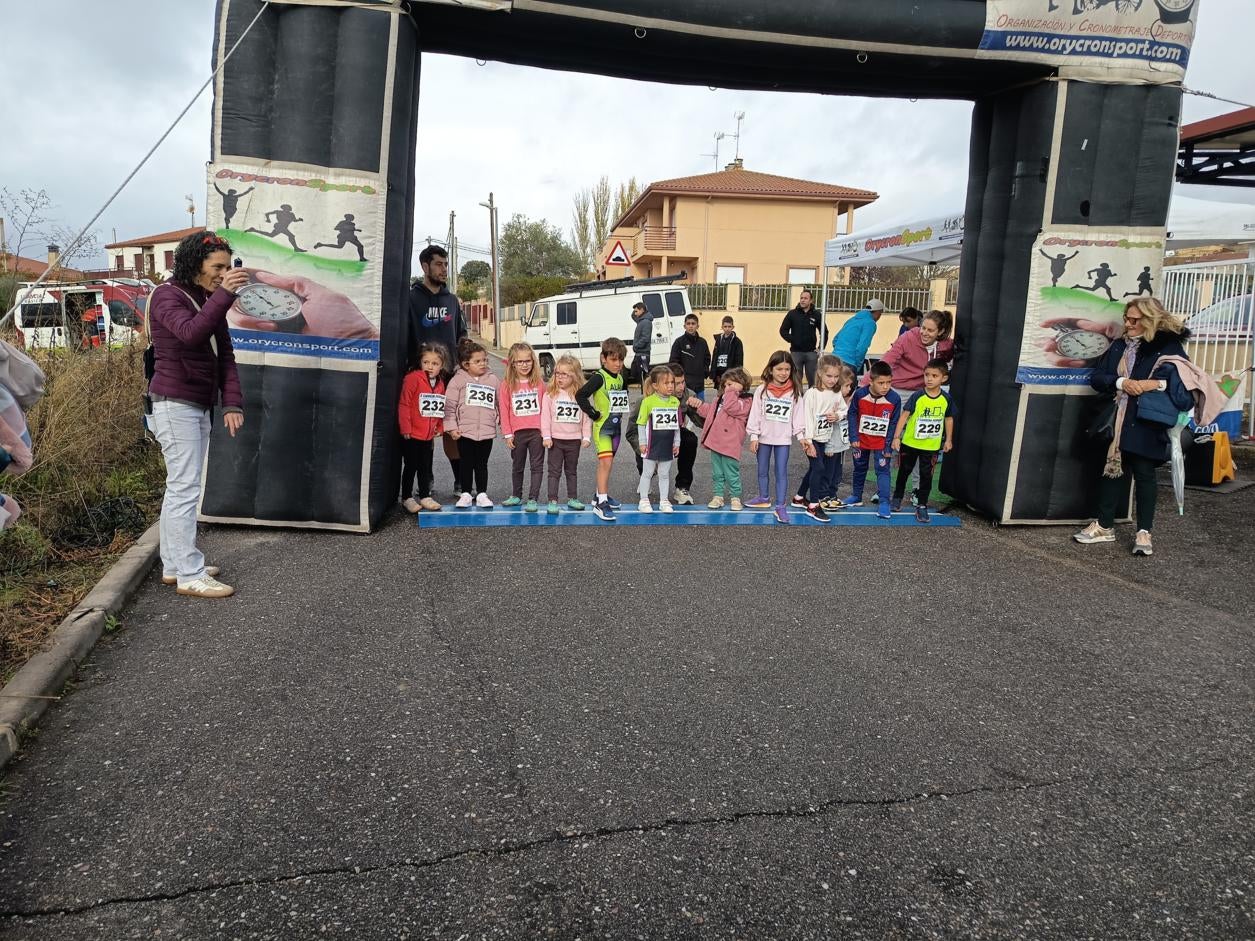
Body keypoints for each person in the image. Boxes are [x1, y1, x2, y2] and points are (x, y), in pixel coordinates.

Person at [147, 231, 247, 598]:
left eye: (226, 267)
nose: (222, 273)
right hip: (174, 402)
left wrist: (232, 403)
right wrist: (224, 297)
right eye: (216, 267)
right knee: (184, 488)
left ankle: (175, 565)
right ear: (195, 265)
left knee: (182, 487)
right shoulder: (166, 296)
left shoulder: (206, 299)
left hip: (195, 403)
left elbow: (226, 355)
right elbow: (190, 334)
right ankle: (190, 573)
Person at [1074, 298, 1194, 557]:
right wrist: (1121, 382)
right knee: (1112, 468)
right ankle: (1104, 525)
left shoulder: (1169, 348)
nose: (1127, 324)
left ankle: (1144, 532)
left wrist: (1153, 384)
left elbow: (1183, 386)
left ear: (1150, 320)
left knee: (1144, 473)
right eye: (1126, 318)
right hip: (1119, 415)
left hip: (1147, 419)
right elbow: (1097, 377)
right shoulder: (1119, 345)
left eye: (1134, 320)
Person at [408, 244, 467, 491]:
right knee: (425, 432)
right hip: (421, 377)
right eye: (439, 264)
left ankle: (460, 480)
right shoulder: (410, 299)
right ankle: (426, 480)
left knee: (452, 429)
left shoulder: (452, 300)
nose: (444, 269)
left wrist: (467, 364)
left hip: (450, 377)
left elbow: (461, 336)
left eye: (446, 264)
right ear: (425, 266)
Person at [890, 359, 955, 523]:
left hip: (931, 446)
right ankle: (897, 498)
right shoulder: (918, 396)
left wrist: (948, 440)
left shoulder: (946, 399)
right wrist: (897, 437)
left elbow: (949, 419)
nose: (929, 379)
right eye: (927, 375)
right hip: (910, 443)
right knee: (904, 471)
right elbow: (904, 415)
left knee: (926, 476)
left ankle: (922, 505)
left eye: (934, 375)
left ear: (944, 378)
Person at [627, 363, 701, 504]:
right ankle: (645, 476)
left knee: (690, 439)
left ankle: (682, 487)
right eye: (674, 383)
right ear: (659, 384)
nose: (679, 387)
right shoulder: (645, 401)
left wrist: (700, 407)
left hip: (671, 436)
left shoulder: (688, 396)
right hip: (650, 439)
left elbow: (702, 423)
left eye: (682, 382)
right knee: (644, 447)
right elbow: (631, 432)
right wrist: (644, 449)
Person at [745, 351, 805, 524]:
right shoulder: (762, 391)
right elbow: (755, 414)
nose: (783, 373)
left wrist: (801, 437)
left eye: (787, 369)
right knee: (762, 470)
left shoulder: (794, 391)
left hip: (783, 440)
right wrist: (754, 436)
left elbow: (798, 416)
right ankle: (764, 497)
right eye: (779, 369)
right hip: (763, 438)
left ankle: (780, 506)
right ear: (771, 370)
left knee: (781, 472)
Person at [576, 337, 630, 521]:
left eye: (621, 360)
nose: (618, 364)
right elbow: (581, 395)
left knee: (609, 463)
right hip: (603, 428)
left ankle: (599, 494)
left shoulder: (621, 378)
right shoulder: (599, 377)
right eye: (614, 359)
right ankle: (601, 503)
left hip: (616, 427)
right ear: (603, 358)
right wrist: (593, 414)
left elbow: (622, 397)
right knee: (605, 463)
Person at [444, 338, 500, 508]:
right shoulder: (457, 381)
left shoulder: (493, 380)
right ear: (466, 364)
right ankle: (466, 493)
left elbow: (501, 404)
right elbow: (449, 406)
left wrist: (504, 425)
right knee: (466, 463)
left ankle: (482, 493)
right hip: (464, 431)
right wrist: (451, 428)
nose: (483, 364)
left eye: (485, 360)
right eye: (478, 361)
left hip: (486, 431)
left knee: (482, 464)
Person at [794, 354, 849, 523]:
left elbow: (844, 409)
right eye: (829, 376)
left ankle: (799, 497)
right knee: (819, 469)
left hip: (826, 438)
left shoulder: (836, 393)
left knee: (814, 469)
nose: (832, 380)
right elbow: (808, 418)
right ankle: (813, 506)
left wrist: (837, 415)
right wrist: (808, 441)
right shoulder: (812, 393)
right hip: (812, 439)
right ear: (819, 373)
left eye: (836, 376)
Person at [690, 367, 753, 510]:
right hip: (716, 441)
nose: (727, 387)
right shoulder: (721, 399)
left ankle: (735, 497)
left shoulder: (745, 401)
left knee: (731, 472)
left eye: (730, 384)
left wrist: (731, 392)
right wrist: (698, 405)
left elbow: (731, 408)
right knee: (717, 472)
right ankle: (718, 496)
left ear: (742, 383)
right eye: (725, 385)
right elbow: (711, 411)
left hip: (730, 444)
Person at [846, 360, 901, 520]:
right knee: (859, 468)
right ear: (871, 381)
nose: (886, 386)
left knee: (883, 470)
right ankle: (856, 496)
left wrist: (888, 445)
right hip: (861, 440)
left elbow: (893, 423)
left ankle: (884, 502)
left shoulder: (894, 398)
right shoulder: (860, 394)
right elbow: (852, 414)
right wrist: (853, 436)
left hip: (881, 443)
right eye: (881, 383)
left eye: (889, 382)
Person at [397, 343, 448, 513]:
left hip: (428, 435)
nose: (430, 367)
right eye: (426, 362)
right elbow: (404, 404)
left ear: (441, 365)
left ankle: (425, 496)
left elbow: (440, 407)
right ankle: (406, 497)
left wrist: (440, 426)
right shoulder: (413, 378)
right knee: (411, 465)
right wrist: (406, 428)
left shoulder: (440, 384)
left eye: (434, 363)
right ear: (420, 362)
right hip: (412, 434)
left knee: (425, 466)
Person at [499, 342, 546, 512]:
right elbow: (504, 410)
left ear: (533, 361)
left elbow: (545, 408)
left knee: (537, 466)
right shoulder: (506, 385)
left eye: (528, 361)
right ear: (512, 363)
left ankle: (533, 498)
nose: (524, 365)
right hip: (517, 433)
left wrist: (546, 432)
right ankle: (516, 495)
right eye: (520, 362)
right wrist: (507, 433)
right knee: (517, 465)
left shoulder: (539, 383)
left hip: (537, 432)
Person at [541, 354, 590, 514]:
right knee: (554, 472)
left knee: (571, 470)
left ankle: (572, 498)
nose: (560, 377)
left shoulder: (581, 396)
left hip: (574, 440)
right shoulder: (550, 395)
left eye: (565, 374)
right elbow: (545, 417)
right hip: (555, 440)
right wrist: (546, 436)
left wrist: (586, 436)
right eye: (557, 373)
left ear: (575, 376)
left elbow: (586, 417)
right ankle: (552, 500)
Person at [636, 365, 682, 512]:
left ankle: (664, 500)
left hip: (667, 445)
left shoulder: (675, 402)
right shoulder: (648, 402)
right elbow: (641, 424)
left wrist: (677, 442)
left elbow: (677, 426)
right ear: (655, 385)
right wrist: (642, 442)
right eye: (666, 383)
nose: (670, 386)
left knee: (664, 474)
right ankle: (643, 500)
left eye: (672, 383)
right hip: (651, 444)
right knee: (647, 472)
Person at [819, 363, 857, 512]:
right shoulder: (830, 402)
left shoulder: (848, 401)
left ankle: (833, 495)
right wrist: (827, 445)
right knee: (827, 472)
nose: (849, 389)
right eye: (846, 386)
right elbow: (824, 425)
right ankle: (823, 496)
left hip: (841, 444)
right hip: (831, 445)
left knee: (837, 472)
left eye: (850, 386)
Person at [778, 289, 823, 388]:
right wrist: (793, 340)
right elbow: (783, 330)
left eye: (805, 298)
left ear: (811, 300)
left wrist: (820, 347)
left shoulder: (816, 315)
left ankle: (812, 400)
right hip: (796, 353)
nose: (802, 300)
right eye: (801, 298)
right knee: (796, 380)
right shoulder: (792, 314)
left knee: (813, 380)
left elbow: (824, 332)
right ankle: (798, 400)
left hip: (811, 353)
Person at [831, 299, 885, 376]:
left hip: (833, 359)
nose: (879, 316)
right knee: (848, 387)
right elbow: (862, 347)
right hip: (849, 362)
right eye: (880, 313)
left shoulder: (852, 319)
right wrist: (857, 364)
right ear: (877, 312)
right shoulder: (870, 323)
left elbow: (835, 340)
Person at [669, 313, 711, 400]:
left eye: (693, 323)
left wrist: (704, 372)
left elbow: (707, 358)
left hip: (699, 384)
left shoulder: (702, 342)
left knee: (700, 410)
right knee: (684, 409)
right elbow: (673, 363)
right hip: (685, 385)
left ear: (697, 326)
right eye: (688, 324)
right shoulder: (679, 342)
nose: (691, 326)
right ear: (684, 326)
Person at [710, 315, 744, 386]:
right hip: (719, 374)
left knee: (730, 394)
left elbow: (739, 360)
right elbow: (714, 357)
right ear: (722, 327)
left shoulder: (737, 342)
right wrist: (713, 374)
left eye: (729, 326)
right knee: (720, 394)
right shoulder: (718, 340)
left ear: (733, 327)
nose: (727, 329)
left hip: (730, 374)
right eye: (725, 327)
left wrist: (736, 375)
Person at [630, 301, 652, 389]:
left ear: (642, 310)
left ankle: (646, 395)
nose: (635, 313)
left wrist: (636, 346)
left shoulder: (646, 322)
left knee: (644, 376)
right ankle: (644, 393)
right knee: (635, 373)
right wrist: (636, 306)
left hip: (643, 354)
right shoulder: (641, 320)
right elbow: (633, 316)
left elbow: (645, 338)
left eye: (636, 311)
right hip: (639, 354)